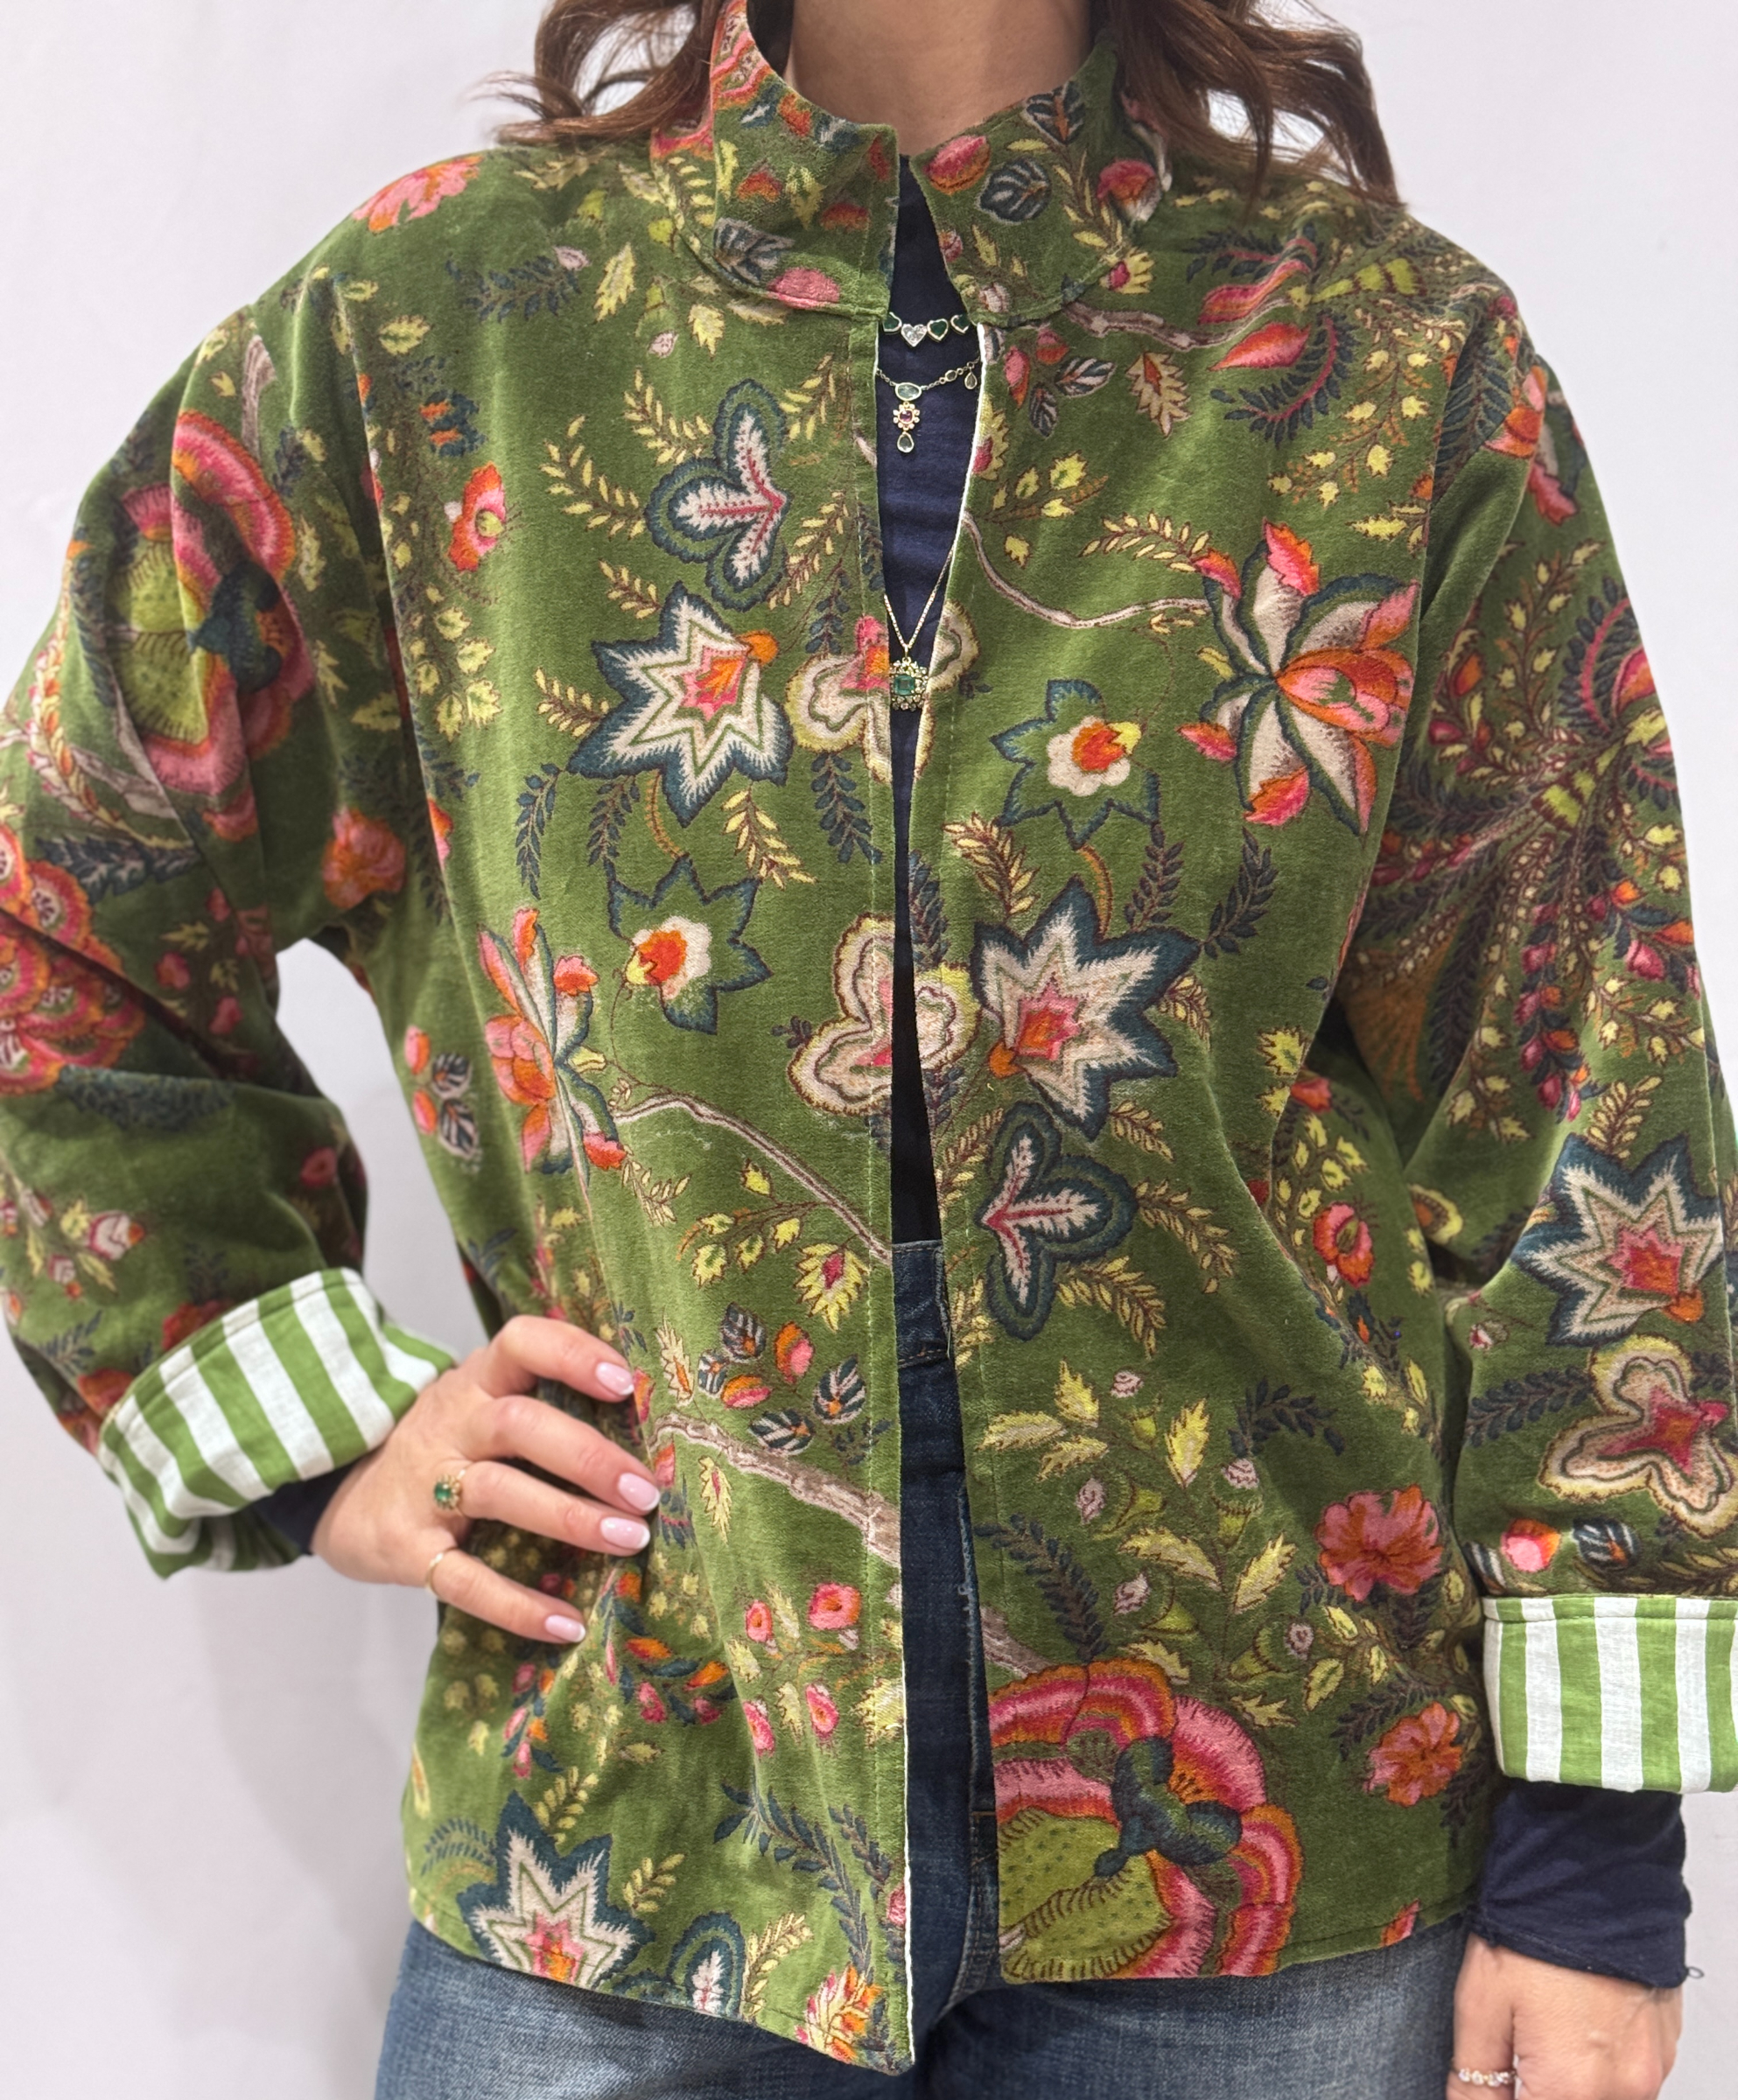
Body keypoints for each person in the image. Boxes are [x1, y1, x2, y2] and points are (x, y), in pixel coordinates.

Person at [0, 0, 1721, 2092]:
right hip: (638, 1830)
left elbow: (1583, 1078)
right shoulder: (431, 328)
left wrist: (1594, 1866)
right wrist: (308, 1430)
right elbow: (60, 895)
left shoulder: (1382, 357)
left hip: (1269, 1858)